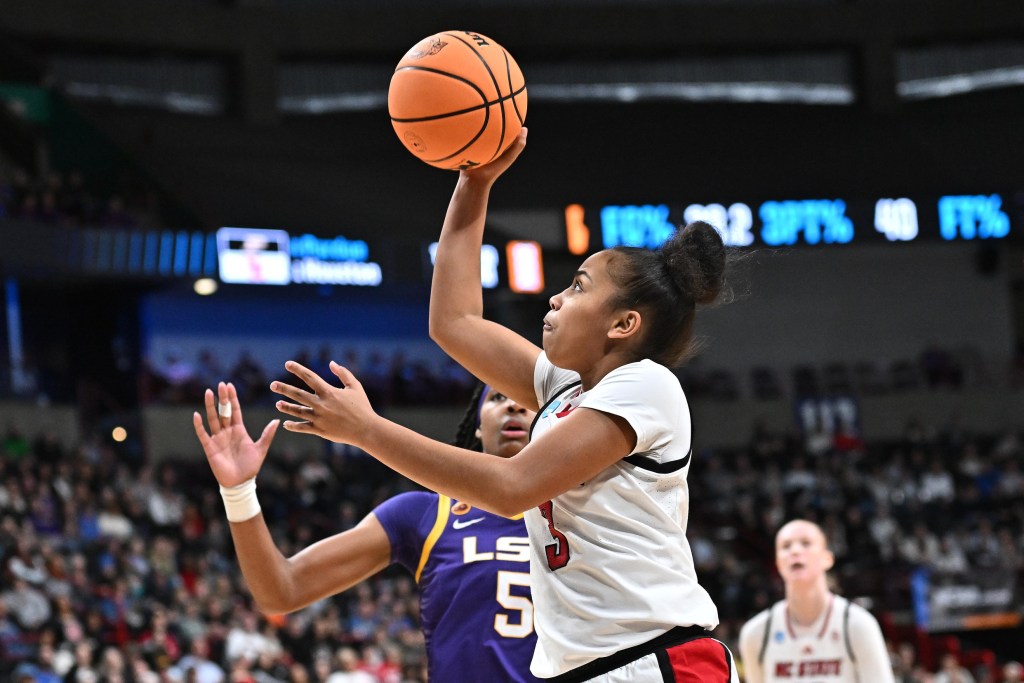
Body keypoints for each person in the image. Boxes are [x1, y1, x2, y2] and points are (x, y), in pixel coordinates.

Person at [270, 128, 738, 682]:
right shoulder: (567, 387)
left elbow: (511, 488)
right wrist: (474, 183)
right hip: (591, 667)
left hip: (657, 660)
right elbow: (454, 322)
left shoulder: (648, 385)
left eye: (579, 287)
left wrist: (368, 431)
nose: (556, 298)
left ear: (623, 324)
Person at [193, 380, 542, 682]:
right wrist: (238, 493)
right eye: (497, 397)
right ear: (477, 425)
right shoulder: (428, 514)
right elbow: (282, 589)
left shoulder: (588, 516)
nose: (513, 405)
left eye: (529, 401)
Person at [738, 519, 894, 682]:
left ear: (827, 559)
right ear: (778, 564)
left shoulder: (858, 625)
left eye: (806, 543)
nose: (795, 551)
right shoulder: (756, 633)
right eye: (786, 546)